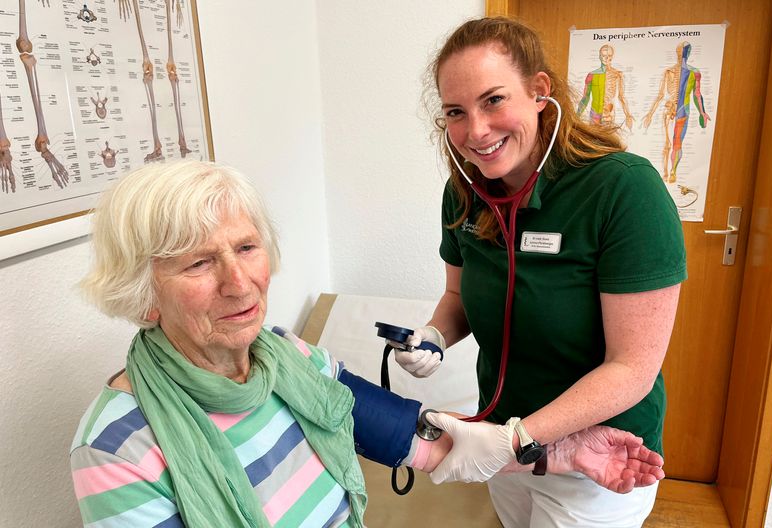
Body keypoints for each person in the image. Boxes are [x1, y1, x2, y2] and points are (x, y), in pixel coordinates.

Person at [70, 160, 666, 527]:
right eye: (199, 262)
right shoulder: (117, 445)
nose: (239, 281)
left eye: (247, 248)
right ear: (143, 293)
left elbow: (420, 437)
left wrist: (558, 453)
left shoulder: (291, 360)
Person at [390, 17, 686, 528]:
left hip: (597, 458)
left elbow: (632, 367)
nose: (475, 130)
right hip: (503, 444)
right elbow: (460, 296)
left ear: (539, 91)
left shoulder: (623, 192)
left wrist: (520, 437)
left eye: (494, 100)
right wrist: (435, 335)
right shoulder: (465, 191)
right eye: (455, 112)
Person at [642, 41, 711, 183]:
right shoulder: (669, 72)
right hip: (668, 109)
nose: (681, 56)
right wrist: (650, 113)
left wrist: (702, 112)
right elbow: (660, 95)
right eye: (679, 53)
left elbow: (697, 94)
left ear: (689, 53)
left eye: (684, 53)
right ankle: (664, 173)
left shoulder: (694, 73)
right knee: (666, 143)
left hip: (683, 110)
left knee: (677, 143)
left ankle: (673, 171)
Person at [576, 44, 635, 131]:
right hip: (594, 114)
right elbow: (585, 97)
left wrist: (628, 115)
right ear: (600, 56)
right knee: (594, 139)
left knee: (608, 139)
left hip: (609, 114)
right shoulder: (591, 75)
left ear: (612, 56)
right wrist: (576, 116)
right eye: (604, 56)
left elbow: (621, 97)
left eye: (609, 56)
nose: (606, 58)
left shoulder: (617, 75)